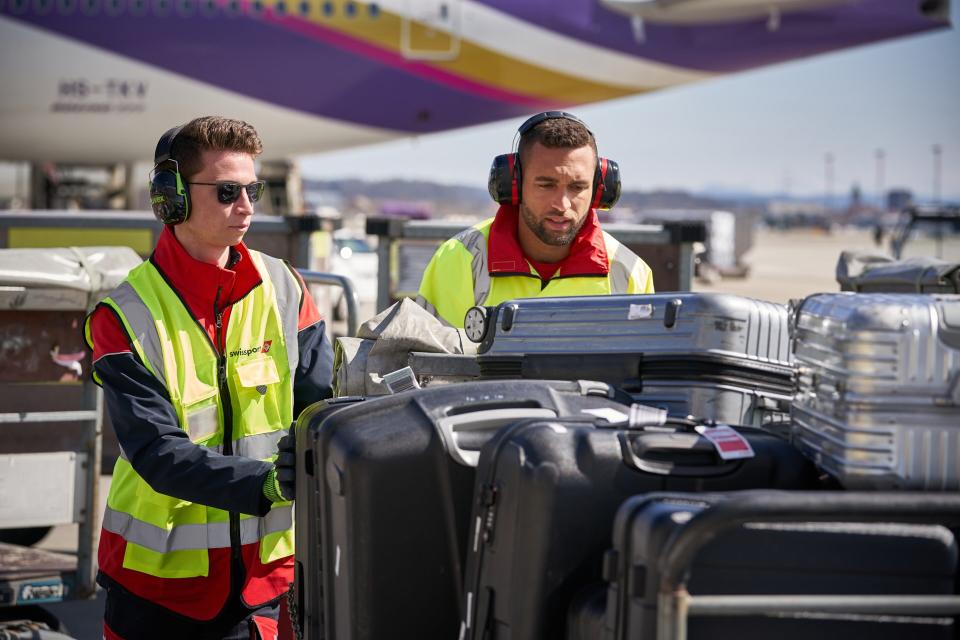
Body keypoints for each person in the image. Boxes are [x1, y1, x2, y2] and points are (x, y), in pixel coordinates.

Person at [84, 116, 334, 639]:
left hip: (267, 588)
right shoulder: (124, 315)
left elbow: (323, 406)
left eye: (252, 190)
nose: (245, 207)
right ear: (171, 198)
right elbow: (156, 452)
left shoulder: (285, 287)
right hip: (158, 593)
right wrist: (264, 483)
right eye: (226, 192)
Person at [416, 111, 654, 328]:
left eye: (578, 187)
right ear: (514, 184)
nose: (562, 204)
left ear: (599, 190)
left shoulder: (630, 272)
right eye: (546, 185)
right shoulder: (459, 260)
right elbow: (431, 367)